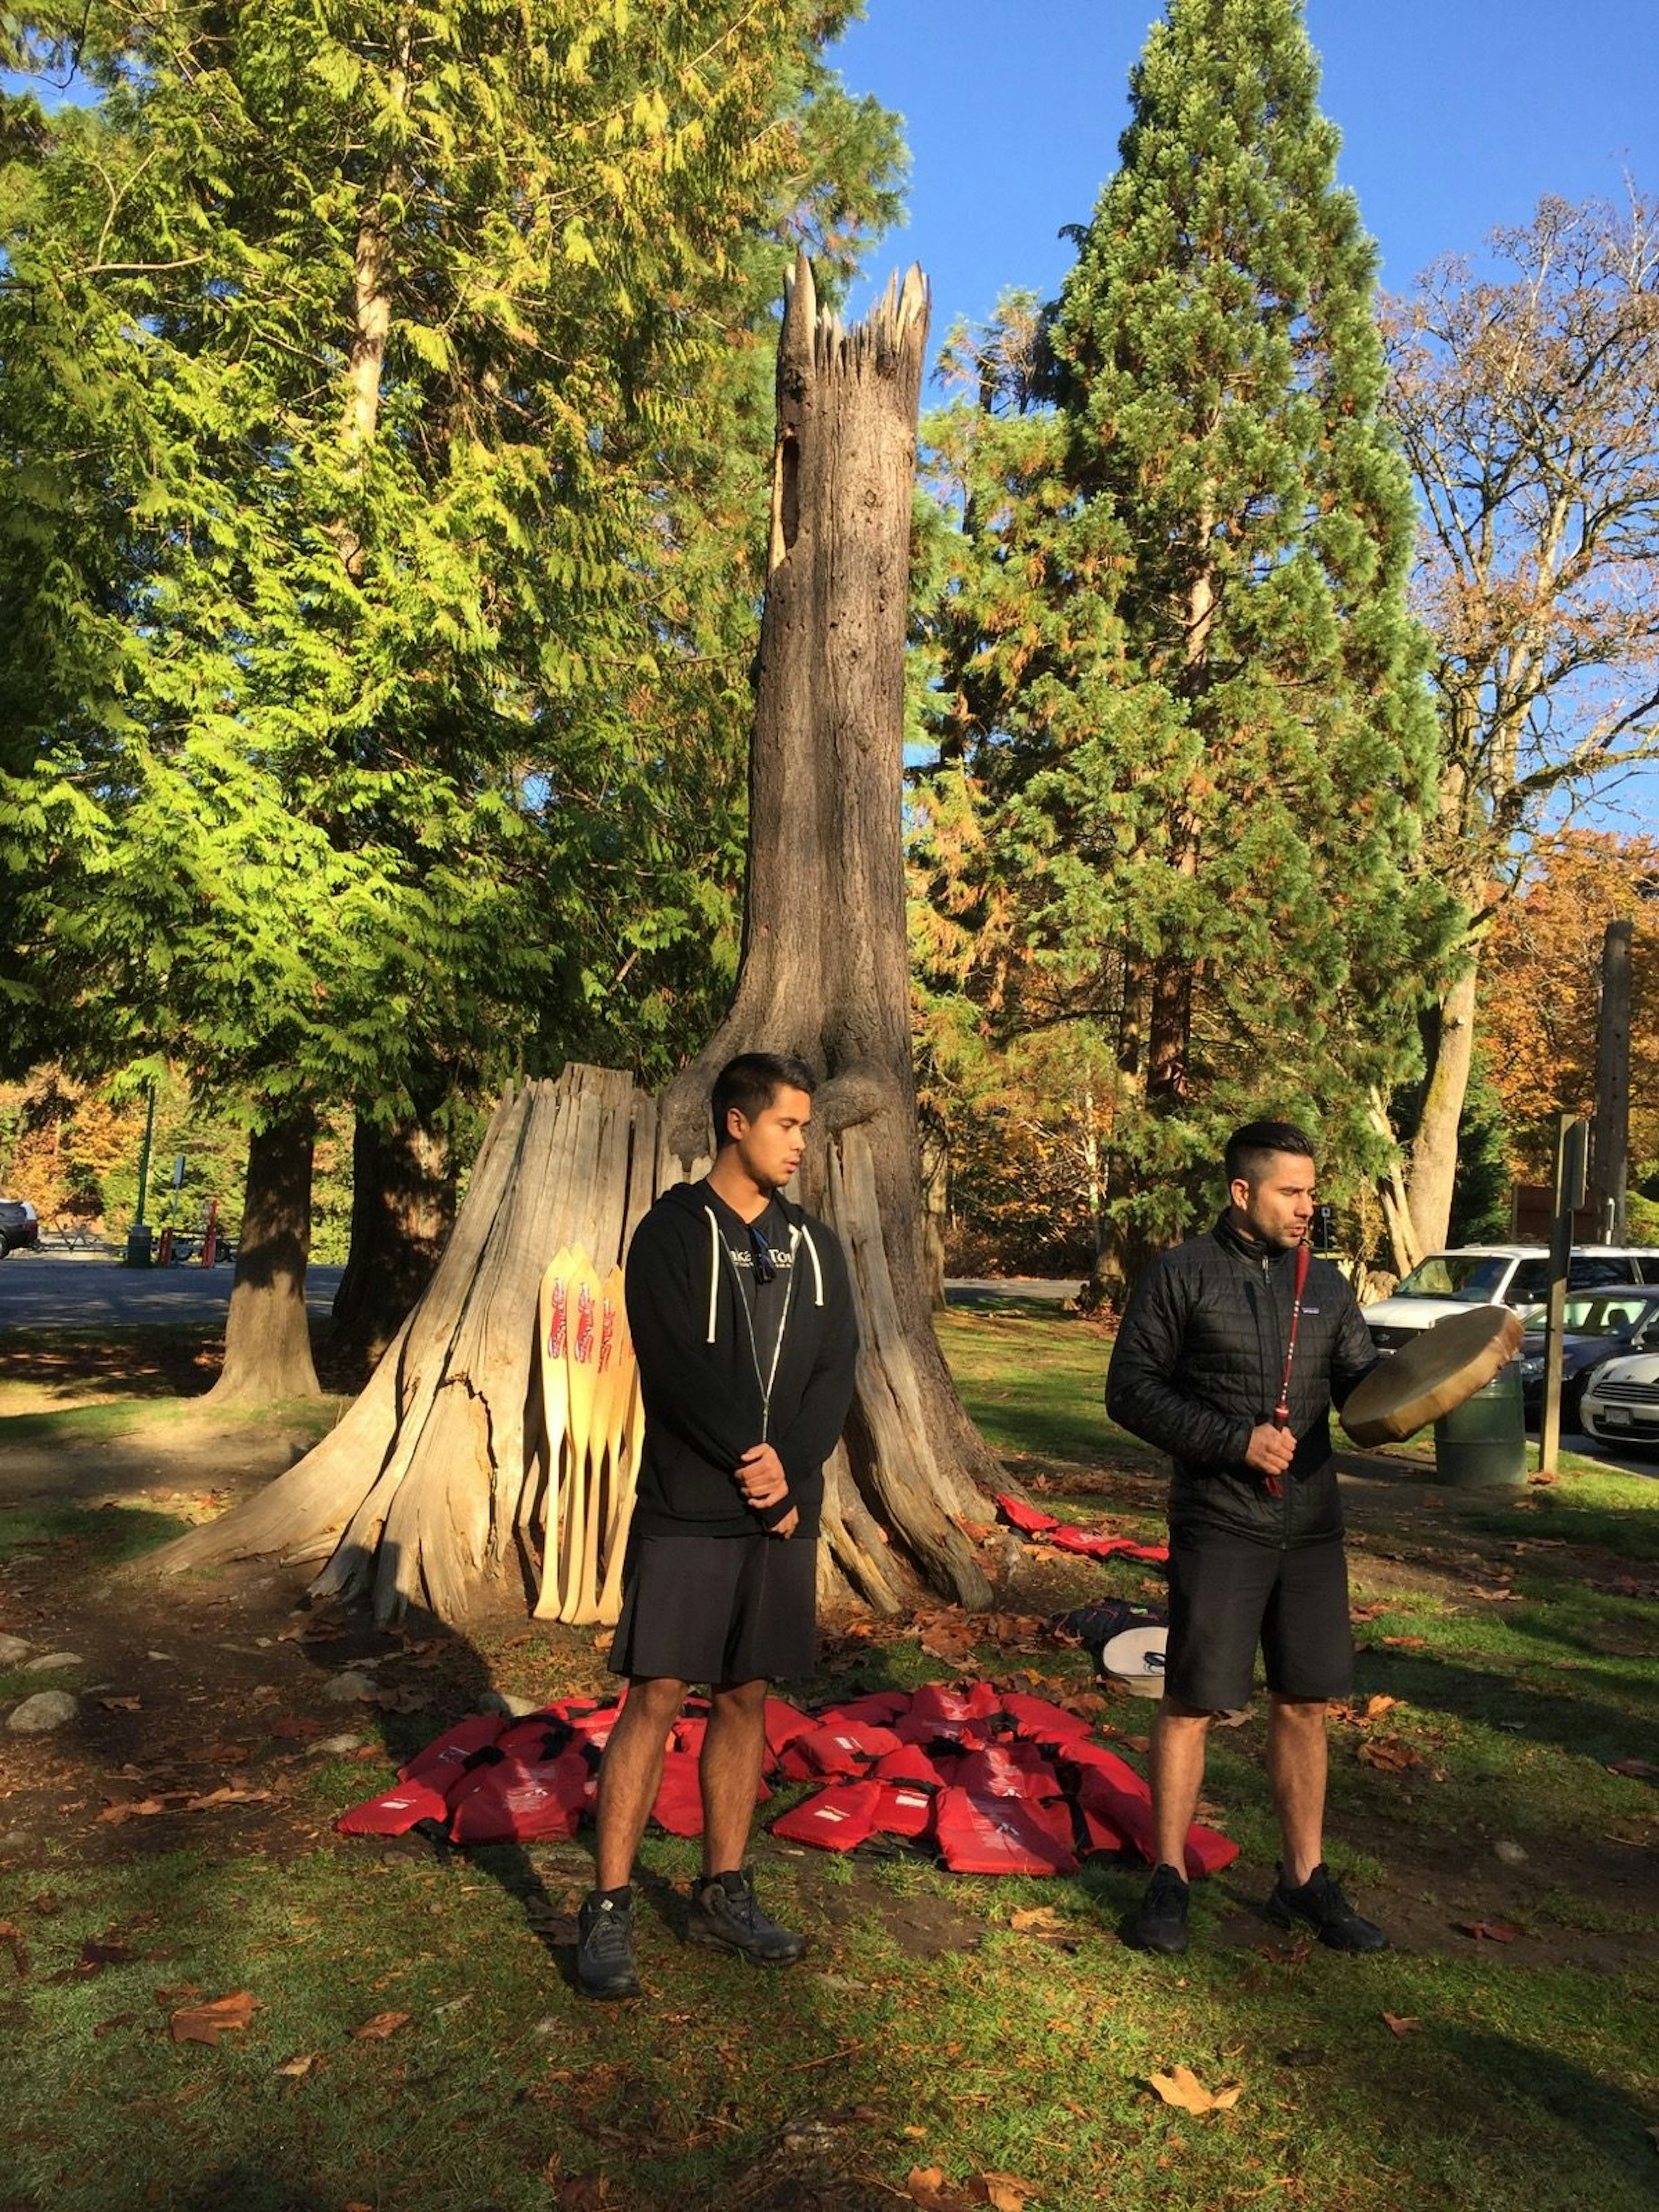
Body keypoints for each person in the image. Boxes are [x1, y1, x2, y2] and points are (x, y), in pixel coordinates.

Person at [575, 1052, 859, 1999]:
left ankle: (722, 1888)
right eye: (789, 1125)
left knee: (747, 1694)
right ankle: (609, 1906)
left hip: (781, 1515)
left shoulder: (814, 1244)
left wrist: (792, 1474)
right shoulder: (669, 1232)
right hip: (693, 1502)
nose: (801, 1145)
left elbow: (836, 1368)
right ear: (737, 1123)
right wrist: (753, 1458)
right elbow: (676, 1364)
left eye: (806, 1129)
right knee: (657, 1693)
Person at [1105, 1119, 1388, 1957]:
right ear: (1242, 1193)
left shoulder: (1329, 1288)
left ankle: (1302, 1880)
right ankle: (1167, 1879)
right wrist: (1234, 1441)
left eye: (1312, 1191)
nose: (1309, 1206)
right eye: (1291, 1192)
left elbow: (1364, 1396)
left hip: (1310, 1528)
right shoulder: (1182, 1275)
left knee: (1304, 1700)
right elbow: (1130, 1391)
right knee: (1195, 1699)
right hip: (1220, 1523)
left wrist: (1438, 1382)